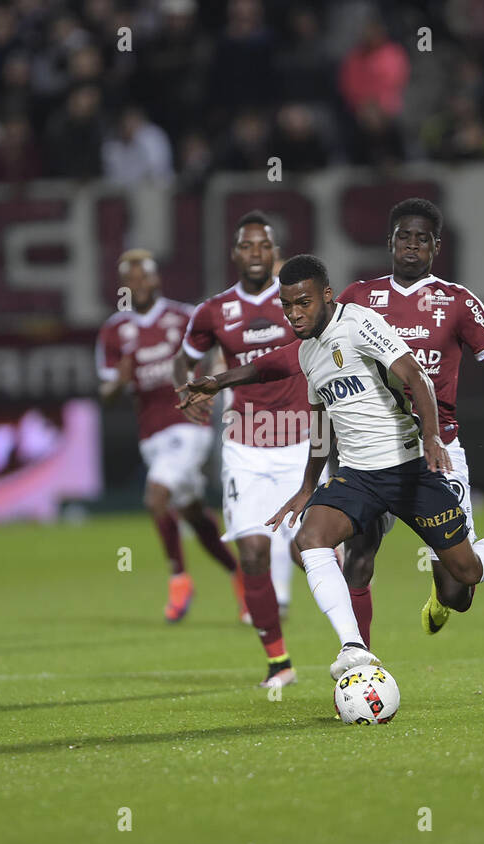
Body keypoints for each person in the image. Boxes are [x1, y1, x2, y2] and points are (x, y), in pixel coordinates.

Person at [180, 254, 484, 677]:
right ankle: (354, 653)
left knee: (462, 580)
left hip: (409, 469)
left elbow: (415, 375)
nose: (294, 314)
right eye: (287, 307)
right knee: (308, 542)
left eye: (302, 303)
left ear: (326, 295)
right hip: (359, 478)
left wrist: (430, 438)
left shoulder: (360, 321)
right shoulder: (308, 351)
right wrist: (306, 485)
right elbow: (319, 416)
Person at [172, 212, 309, 688]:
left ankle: (357, 644)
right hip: (244, 446)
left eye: (263, 246)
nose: (255, 254)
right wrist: (188, 393)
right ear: (235, 254)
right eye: (246, 246)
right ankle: (279, 662)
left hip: (300, 440)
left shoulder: (297, 302)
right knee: (252, 552)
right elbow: (184, 361)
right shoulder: (213, 311)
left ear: (275, 253)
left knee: (308, 550)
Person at [97, 249, 244, 623]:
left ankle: (179, 578)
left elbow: (215, 355)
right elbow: (106, 393)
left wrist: (205, 383)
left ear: (156, 279)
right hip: (151, 434)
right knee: (193, 514)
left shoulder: (183, 316)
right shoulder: (114, 330)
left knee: (155, 496)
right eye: (129, 280)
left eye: (143, 277)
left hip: (189, 425)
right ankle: (240, 574)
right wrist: (120, 381)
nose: (137, 284)